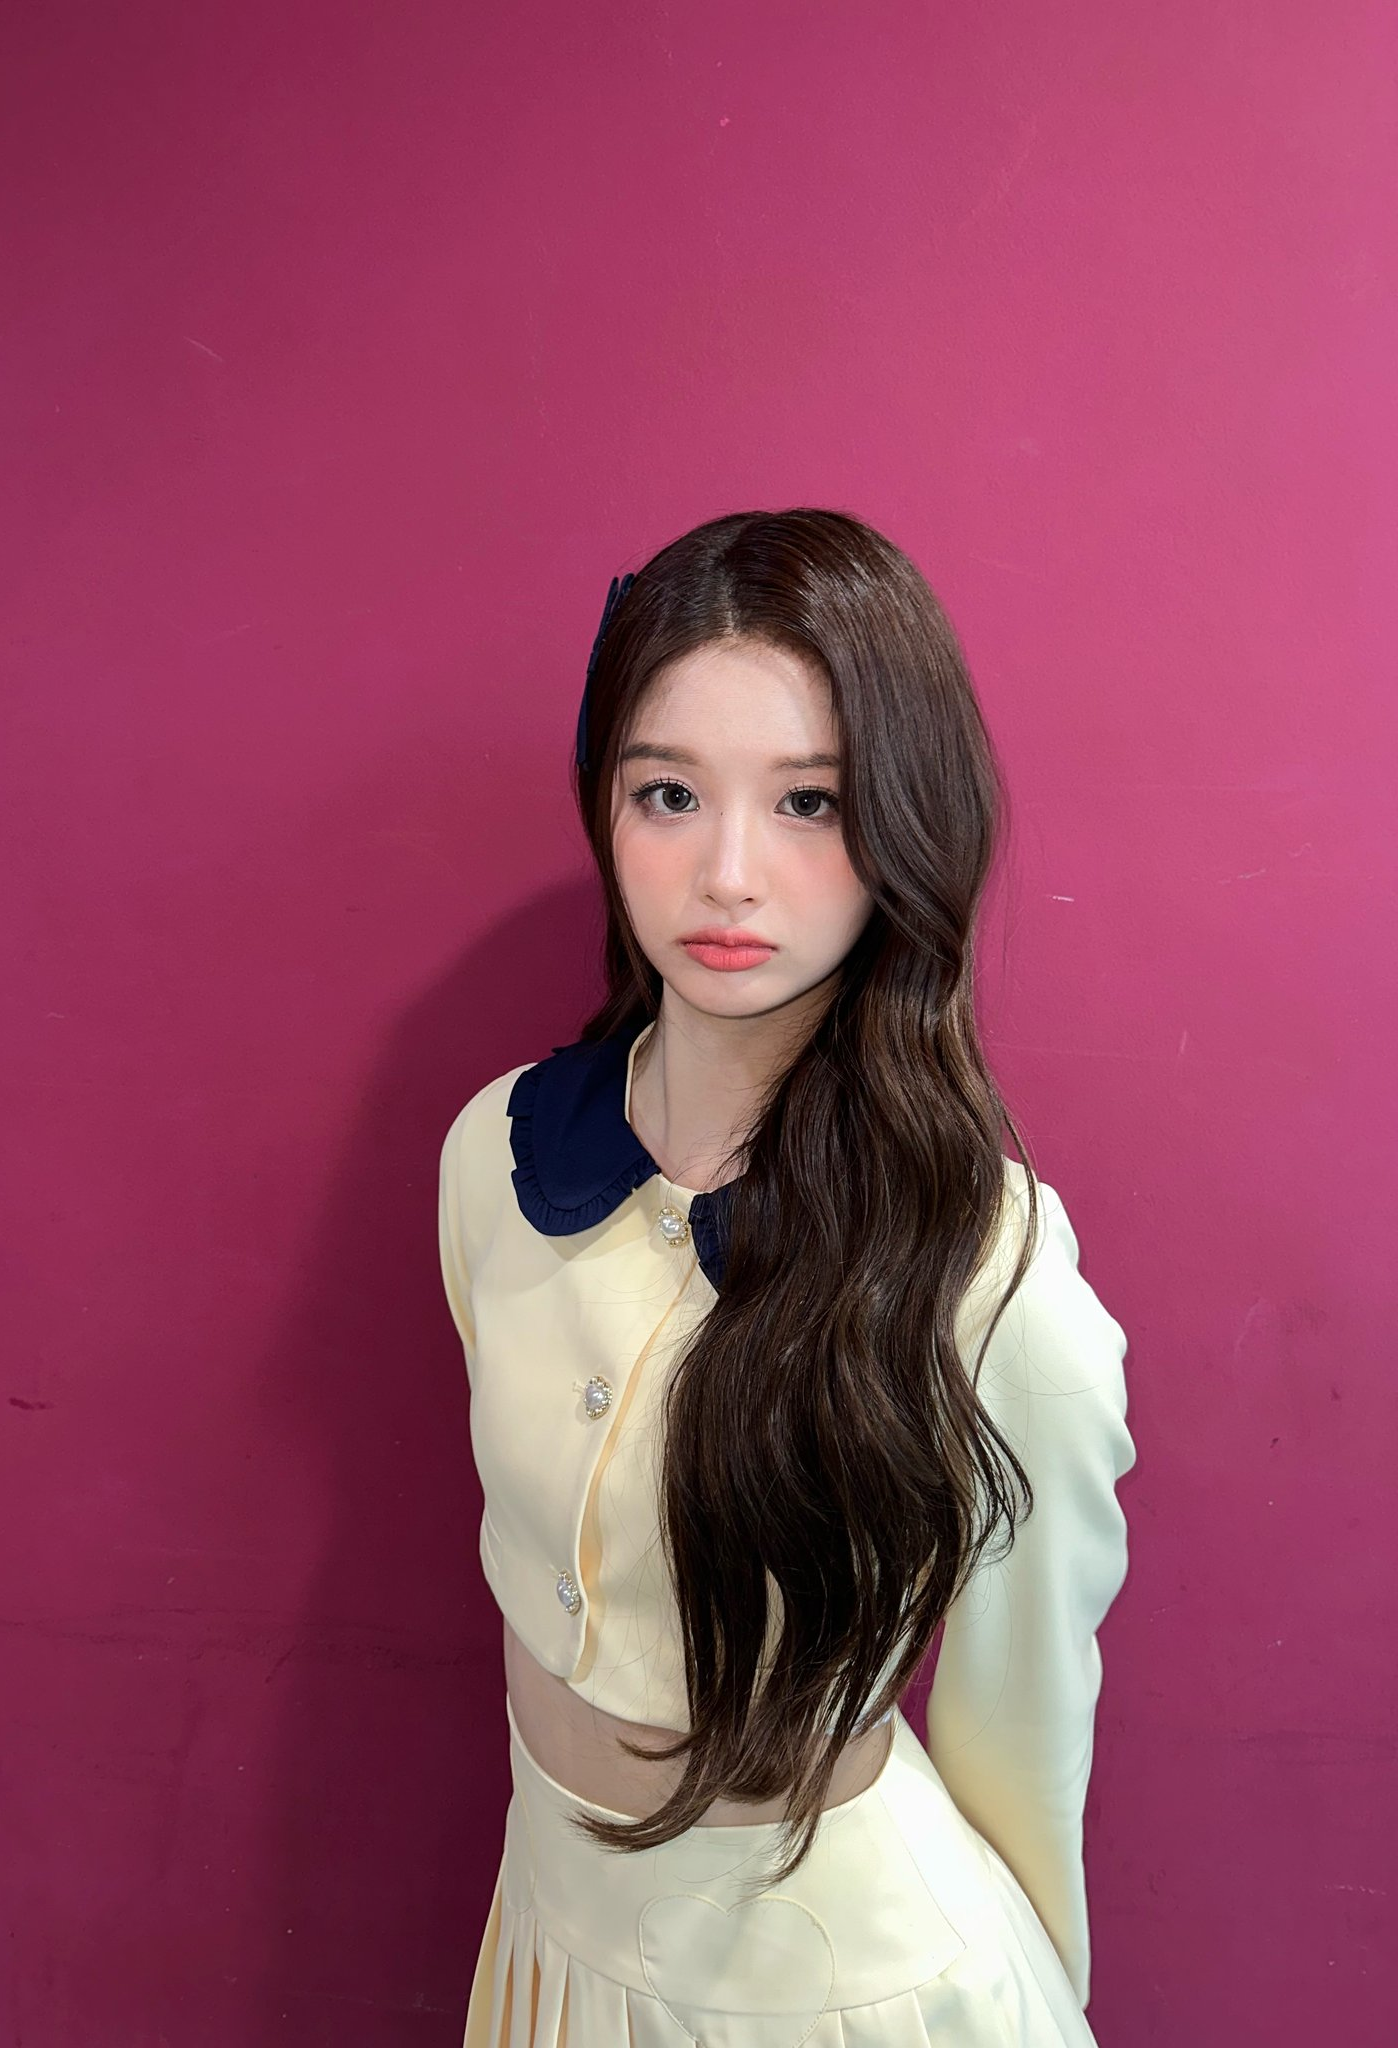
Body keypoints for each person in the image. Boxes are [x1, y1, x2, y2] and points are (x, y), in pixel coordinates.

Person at [437, 507, 1137, 2045]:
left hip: (842, 1989)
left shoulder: (988, 1278)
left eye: (810, 801)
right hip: (549, 1930)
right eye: (669, 794)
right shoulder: (496, 1157)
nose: (728, 873)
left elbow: (1026, 1732)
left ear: (906, 823)